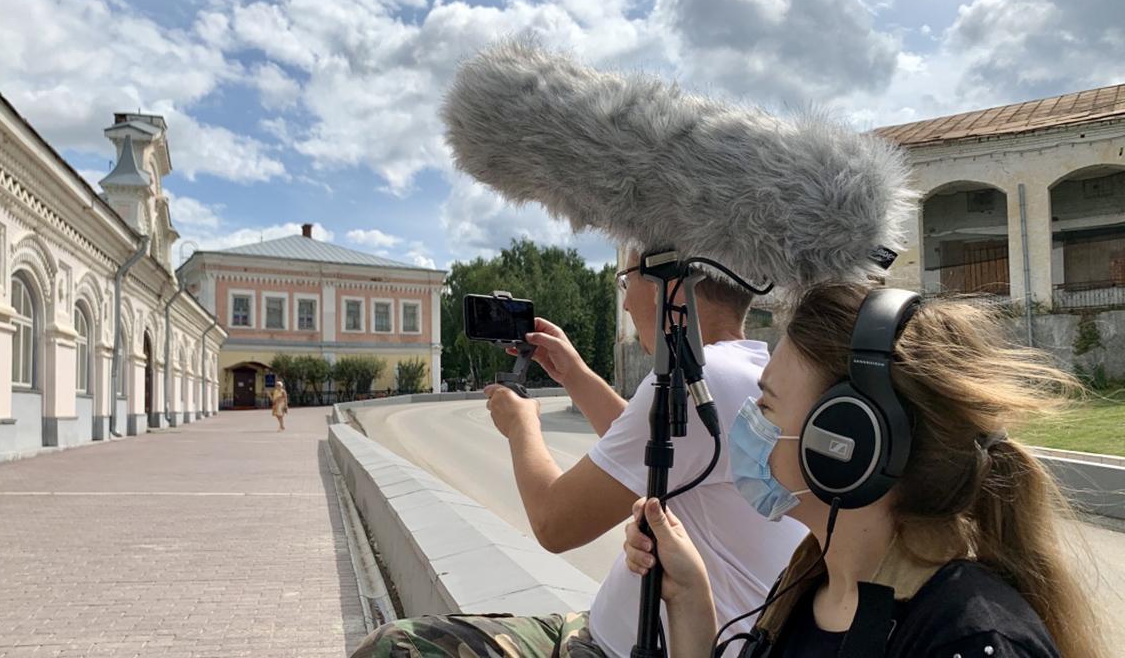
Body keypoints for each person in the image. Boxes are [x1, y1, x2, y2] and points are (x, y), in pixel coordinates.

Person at [354, 251, 806, 657]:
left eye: (627, 280)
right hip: (612, 632)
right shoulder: (747, 372)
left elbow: (555, 522)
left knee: (395, 647)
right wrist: (573, 372)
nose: (625, 304)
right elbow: (657, 454)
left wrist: (520, 426)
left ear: (668, 283)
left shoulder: (696, 381)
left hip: (607, 648)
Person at [623, 283, 1107, 658]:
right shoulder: (809, 584)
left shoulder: (968, 638)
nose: (749, 422)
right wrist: (689, 599)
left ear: (850, 442)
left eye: (767, 405)